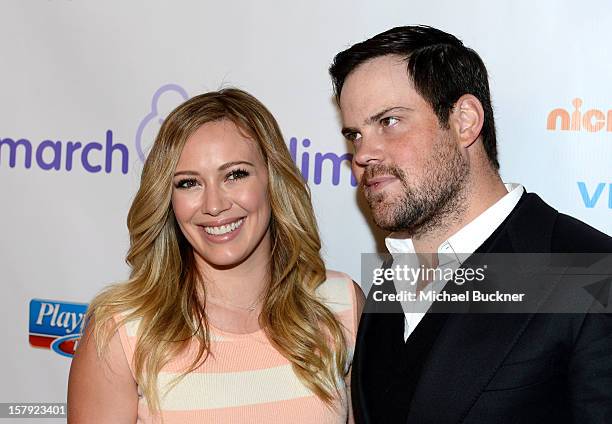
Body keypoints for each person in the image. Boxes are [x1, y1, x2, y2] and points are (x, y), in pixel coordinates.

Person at [329, 25, 612, 423]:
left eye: (389, 122)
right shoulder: (391, 279)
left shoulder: (594, 274)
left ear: (465, 121)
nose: (363, 154)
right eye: (355, 135)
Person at [67, 88, 364, 423]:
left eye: (235, 175)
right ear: (168, 199)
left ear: (273, 179)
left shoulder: (341, 304)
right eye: (188, 183)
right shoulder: (122, 331)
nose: (214, 205)